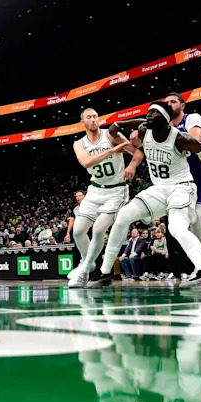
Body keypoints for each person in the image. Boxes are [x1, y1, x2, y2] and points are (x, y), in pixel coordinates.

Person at [86, 100, 201, 288]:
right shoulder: (145, 130)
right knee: (123, 215)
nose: (149, 115)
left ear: (165, 119)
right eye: (148, 112)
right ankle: (104, 272)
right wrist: (118, 123)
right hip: (159, 189)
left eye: (153, 112)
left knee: (176, 228)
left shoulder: (180, 139)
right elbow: (138, 122)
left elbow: (200, 150)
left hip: (181, 188)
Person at [67, 108, 143, 286]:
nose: (93, 119)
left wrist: (132, 165)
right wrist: (112, 150)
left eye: (95, 116)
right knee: (78, 231)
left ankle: (85, 269)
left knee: (99, 229)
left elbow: (137, 152)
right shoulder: (79, 143)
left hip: (116, 190)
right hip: (95, 190)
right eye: (89, 117)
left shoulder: (111, 135)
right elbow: (86, 162)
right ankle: (88, 261)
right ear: (82, 122)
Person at [166, 93, 201, 270]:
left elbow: (193, 141)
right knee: (188, 225)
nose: (169, 104)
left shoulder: (192, 118)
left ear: (182, 105)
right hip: (184, 183)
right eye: (166, 103)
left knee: (198, 218)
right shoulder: (163, 128)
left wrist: (163, 139)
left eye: (173, 102)